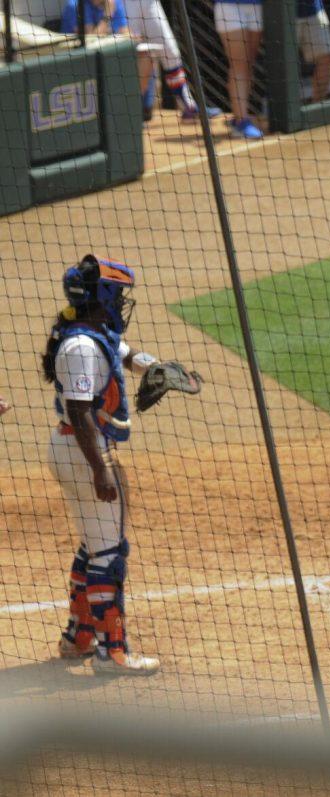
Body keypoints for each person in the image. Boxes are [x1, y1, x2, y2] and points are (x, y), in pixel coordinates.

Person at [41, 255, 161, 675]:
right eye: (118, 295)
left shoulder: (91, 333)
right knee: (110, 552)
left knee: (95, 542)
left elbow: (122, 351)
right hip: (82, 450)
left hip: (71, 449)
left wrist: (153, 365)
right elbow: (79, 410)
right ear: (101, 297)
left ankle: (81, 636)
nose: (122, 303)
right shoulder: (79, 347)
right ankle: (113, 653)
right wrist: (100, 468)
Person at [123, 0, 219, 123]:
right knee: (132, 53)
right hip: (125, 4)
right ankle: (130, 114)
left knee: (170, 52)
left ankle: (189, 107)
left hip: (149, 3)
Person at [60, 0, 152, 98]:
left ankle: (134, 103)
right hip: (77, 61)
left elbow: (124, 31)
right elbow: (90, 41)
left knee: (145, 55)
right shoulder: (75, 5)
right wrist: (107, 15)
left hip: (106, 56)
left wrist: (133, 37)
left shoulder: (114, 2)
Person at [214, 0, 264, 140]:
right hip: (229, 7)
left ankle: (239, 117)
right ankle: (241, 122)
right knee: (239, 65)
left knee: (248, 64)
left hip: (257, 5)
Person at [296, 0, 330, 102]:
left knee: (327, 56)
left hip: (316, 10)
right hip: (284, 12)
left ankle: (318, 107)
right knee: (284, 64)